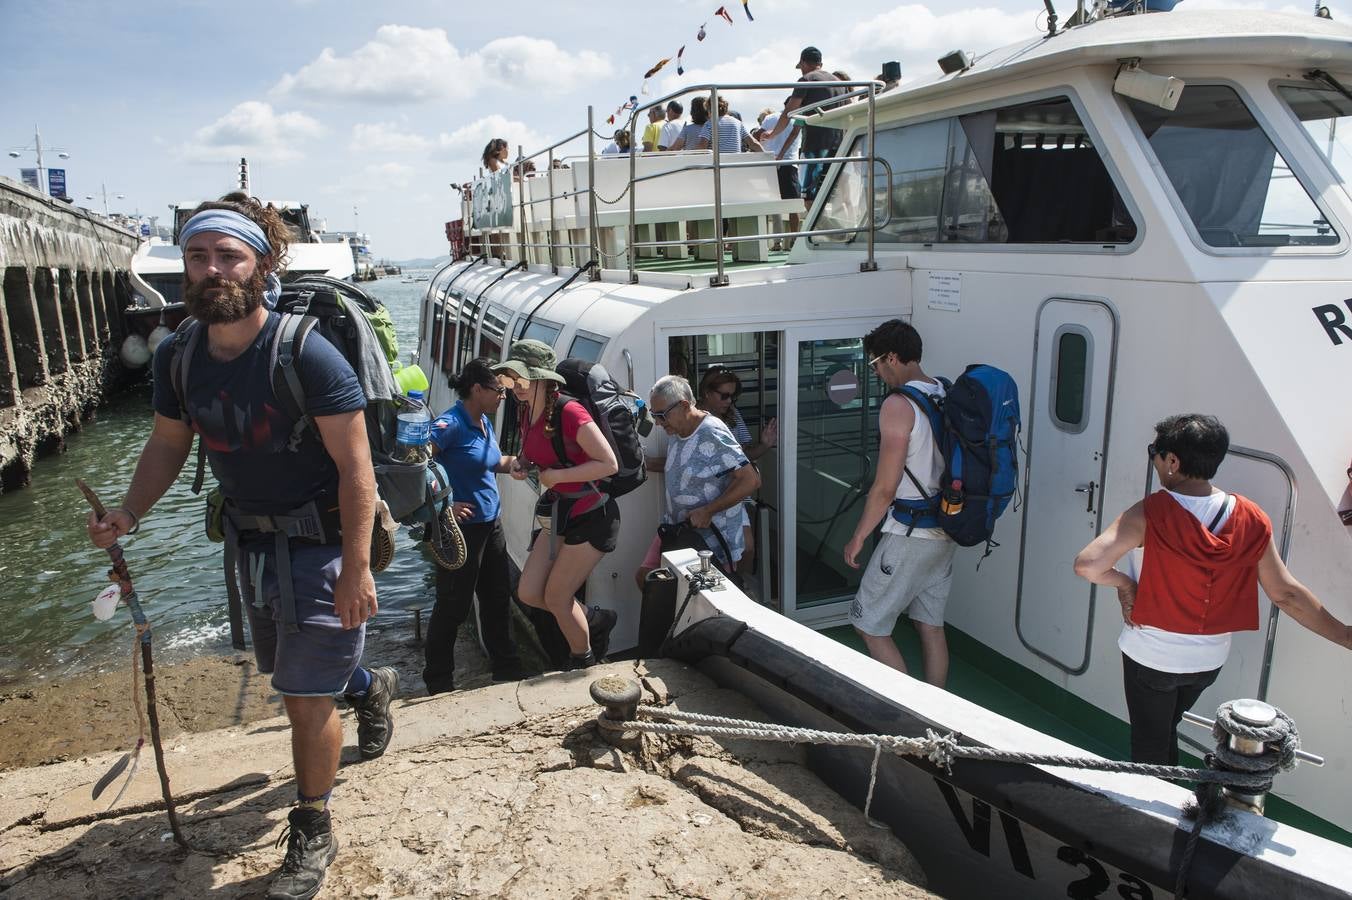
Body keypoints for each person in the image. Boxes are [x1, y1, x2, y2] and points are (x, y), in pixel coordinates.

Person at [86, 193, 398, 900]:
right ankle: (371, 685)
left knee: (300, 699)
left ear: (261, 265)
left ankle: (312, 826)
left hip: (322, 542)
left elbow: (357, 471)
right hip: (252, 547)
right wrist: (128, 514)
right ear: (182, 270)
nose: (212, 269)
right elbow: (169, 443)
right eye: (198, 257)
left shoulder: (306, 354)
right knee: (294, 673)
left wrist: (357, 569)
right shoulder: (181, 357)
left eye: (229, 255)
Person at [1073, 414, 1352, 764]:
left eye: (1154, 452)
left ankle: (1159, 811)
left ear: (1172, 461)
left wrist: (1125, 583)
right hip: (1206, 663)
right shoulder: (1252, 518)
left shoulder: (1151, 513)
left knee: (1149, 745)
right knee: (1166, 728)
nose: (1155, 461)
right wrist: (1343, 635)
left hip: (1151, 658)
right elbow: (1286, 594)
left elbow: (1088, 565)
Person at [842, 319, 955, 687]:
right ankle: (939, 718)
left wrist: (859, 536)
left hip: (909, 534)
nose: (876, 373)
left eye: (875, 365)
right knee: (930, 626)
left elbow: (885, 488)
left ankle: (913, 719)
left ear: (891, 357)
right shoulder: (943, 391)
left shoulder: (899, 405)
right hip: (946, 527)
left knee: (868, 625)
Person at [494, 340, 619, 669]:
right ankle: (595, 618)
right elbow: (538, 454)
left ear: (542, 379)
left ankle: (583, 665)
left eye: (519, 379)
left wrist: (557, 478)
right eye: (509, 378)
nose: (513, 386)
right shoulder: (527, 411)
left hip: (593, 514)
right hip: (561, 514)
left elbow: (608, 464)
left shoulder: (570, 411)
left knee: (557, 597)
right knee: (530, 592)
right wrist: (522, 464)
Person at [424, 359, 526, 694]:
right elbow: (414, 465)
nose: (503, 397)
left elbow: (492, 462)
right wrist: (444, 505)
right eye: (498, 390)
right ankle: (439, 682)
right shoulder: (449, 424)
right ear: (477, 389)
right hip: (459, 532)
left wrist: (518, 463)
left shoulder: (483, 421)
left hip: (489, 525)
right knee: (452, 606)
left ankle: (507, 671)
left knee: (497, 599)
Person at [636, 375, 759, 588]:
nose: (657, 423)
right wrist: (642, 463)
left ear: (684, 405)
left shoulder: (712, 432)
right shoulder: (678, 427)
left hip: (709, 537)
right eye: (654, 415)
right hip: (676, 528)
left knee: (700, 596)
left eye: (661, 416)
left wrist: (709, 511)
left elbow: (750, 480)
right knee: (646, 578)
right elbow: (686, 464)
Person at [696, 366, 777, 581]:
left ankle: (739, 584)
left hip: (734, 494)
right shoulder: (693, 418)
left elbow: (745, 453)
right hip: (704, 496)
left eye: (733, 396)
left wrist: (765, 445)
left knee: (747, 549)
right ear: (707, 392)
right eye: (724, 396)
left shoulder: (732, 416)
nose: (729, 401)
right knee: (710, 553)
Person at [763, 46, 847, 202]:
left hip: (815, 147)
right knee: (836, 195)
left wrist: (773, 133)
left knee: (809, 198)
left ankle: (820, 227)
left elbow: (788, 113)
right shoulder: (839, 83)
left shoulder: (807, 79)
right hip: (839, 146)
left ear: (803, 63)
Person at [755, 106, 803, 247]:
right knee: (793, 205)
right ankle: (794, 240)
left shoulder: (770, 118)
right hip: (790, 163)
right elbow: (794, 136)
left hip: (770, 163)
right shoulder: (798, 118)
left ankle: (777, 242)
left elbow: (757, 136)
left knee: (772, 203)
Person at [695, 96, 765, 154]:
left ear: (709, 110)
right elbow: (753, 143)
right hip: (734, 164)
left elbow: (702, 146)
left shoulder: (709, 124)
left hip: (717, 165)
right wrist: (767, 157)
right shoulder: (738, 123)